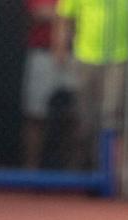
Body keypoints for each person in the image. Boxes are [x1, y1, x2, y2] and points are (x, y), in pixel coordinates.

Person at [52, 0, 128, 170]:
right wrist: (60, 47)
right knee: (85, 118)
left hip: (119, 58)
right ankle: (86, 168)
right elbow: (65, 17)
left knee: (110, 114)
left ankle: (108, 171)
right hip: (85, 57)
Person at [21, 0, 76, 169]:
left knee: (74, 117)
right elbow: (40, 12)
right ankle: (31, 170)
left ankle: (72, 172)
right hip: (43, 53)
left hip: (75, 53)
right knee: (36, 116)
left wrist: (61, 16)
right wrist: (69, 17)